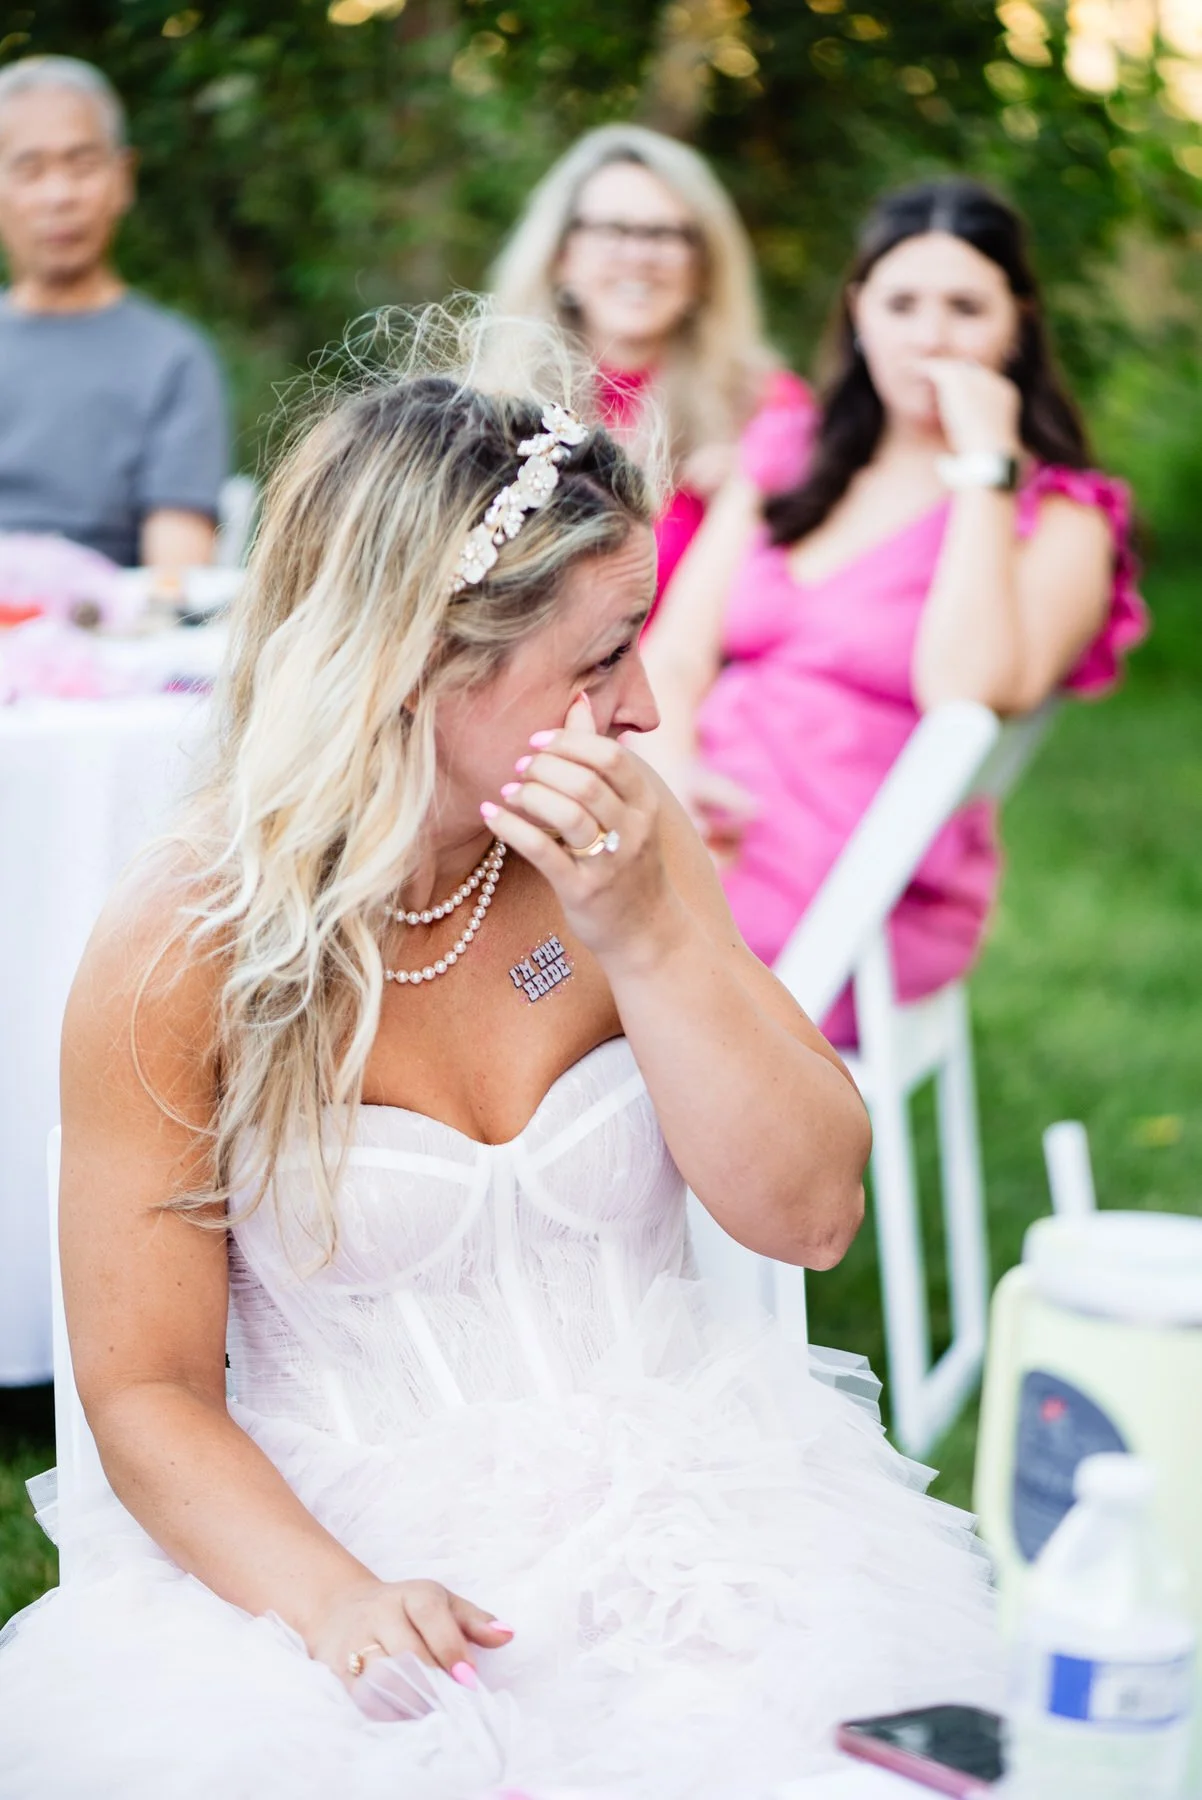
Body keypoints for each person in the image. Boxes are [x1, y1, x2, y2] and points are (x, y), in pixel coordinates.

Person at [0, 321, 998, 1799]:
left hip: (698, 1518)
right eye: (600, 658)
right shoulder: (180, 949)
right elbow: (143, 1389)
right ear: (419, 664)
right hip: (333, 1543)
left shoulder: (622, 835)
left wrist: (648, 937)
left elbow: (808, 1214)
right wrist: (334, 1598)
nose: (648, 708)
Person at [642, 178, 1148, 1045]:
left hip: (861, 879)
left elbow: (966, 691)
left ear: (1018, 322)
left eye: (965, 307)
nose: (930, 337)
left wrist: (985, 465)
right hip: (703, 811)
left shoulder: (1059, 514)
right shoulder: (792, 454)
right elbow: (677, 651)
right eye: (902, 303)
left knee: (587, 942)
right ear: (859, 313)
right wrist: (673, 780)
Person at [489, 122, 812, 618]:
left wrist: (760, 509)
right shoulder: (492, 404)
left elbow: (815, 603)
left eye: (665, 234)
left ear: (703, 265)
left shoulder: (768, 409)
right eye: (612, 230)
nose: (639, 255)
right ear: (561, 255)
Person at [0, 56, 228, 570]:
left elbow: (177, 572)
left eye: (82, 166)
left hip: (108, 630)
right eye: (29, 170)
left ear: (122, 179)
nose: (59, 195)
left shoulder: (174, 360)